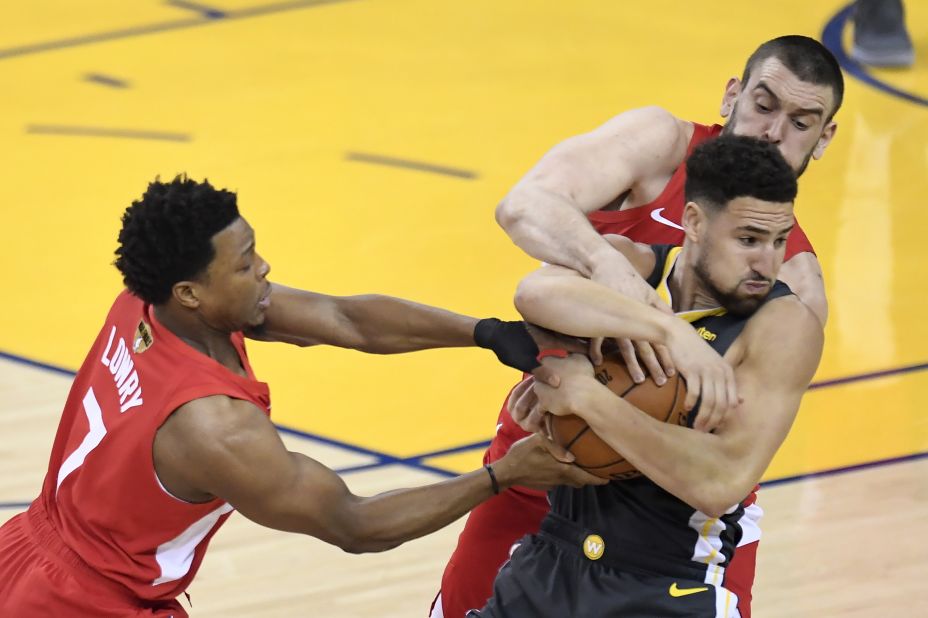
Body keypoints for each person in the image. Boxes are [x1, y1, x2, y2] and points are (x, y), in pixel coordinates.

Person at [0, 176, 612, 618]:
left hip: (26, 552)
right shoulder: (217, 429)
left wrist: (484, 333)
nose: (263, 269)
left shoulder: (149, 302)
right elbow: (356, 524)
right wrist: (504, 475)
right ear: (191, 292)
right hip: (83, 601)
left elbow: (345, 320)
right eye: (244, 265)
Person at [432, 35, 843, 618]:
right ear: (731, 96)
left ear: (823, 138)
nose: (774, 131)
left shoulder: (794, 294)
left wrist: (585, 389)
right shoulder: (659, 147)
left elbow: (720, 467)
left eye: (801, 121)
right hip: (547, 452)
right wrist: (610, 274)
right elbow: (523, 206)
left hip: (666, 521)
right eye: (764, 104)